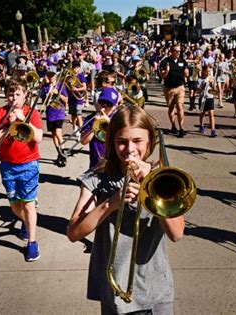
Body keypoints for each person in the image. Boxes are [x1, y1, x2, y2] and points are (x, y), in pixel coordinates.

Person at [67, 105, 184, 314]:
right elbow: (74, 233)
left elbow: (176, 233)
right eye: (122, 142)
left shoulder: (163, 178)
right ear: (112, 142)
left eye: (137, 141)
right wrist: (111, 203)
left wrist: (151, 186)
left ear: (150, 141)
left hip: (153, 292)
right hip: (112, 290)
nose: (129, 149)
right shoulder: (97, 178)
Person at [0, 78, 43, 262]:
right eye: (10, 94)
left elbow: (39, 138)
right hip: (7, 165)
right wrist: (6, 123)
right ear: (6, 96)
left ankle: (32, 243)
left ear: (25, 95)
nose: (14, 98)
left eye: (18, 94)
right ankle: (26, 222)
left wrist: (22, 120)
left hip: (29, 163)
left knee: (28, 204)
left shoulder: (31, 112)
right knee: (14, 205)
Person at [80, 87, 120, 170]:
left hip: (115, 165)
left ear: (115, 106)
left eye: (109, 104)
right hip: (95, 164)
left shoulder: (118, 120)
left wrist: (109, 122)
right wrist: (93, 126)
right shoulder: (90, 119)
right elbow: (83, 141)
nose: (104, 107)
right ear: (97, 102)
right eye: (102, 102)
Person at [160, 45, 189, 137]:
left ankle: (181, 128)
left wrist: (186, 73)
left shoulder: (182, 61)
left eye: (180, 51)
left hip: (180, 87)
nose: (178, 53)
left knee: (180, 107)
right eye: (176, 51)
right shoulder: (165, 62)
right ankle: (173, 126)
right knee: (171, 108)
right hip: (169, 89)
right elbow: (162, 76)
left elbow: (186, 73)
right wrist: (167, 71)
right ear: (172, 51)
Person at [40, 71, 68, 167]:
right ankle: (59, 153)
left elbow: (66, 100)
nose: (51, 77)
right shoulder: (45, 87)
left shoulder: (60, 86)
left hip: (59, 112)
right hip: (50, 113)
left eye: (53, 76)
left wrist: (57, 94)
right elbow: (43, 101)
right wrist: (47, 96)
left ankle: (63, 152)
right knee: (53, 134)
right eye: (49, 75)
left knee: (58, 132)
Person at [196, 66, 217, 137]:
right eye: (206, 71)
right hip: (203, 98)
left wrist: (212, 84)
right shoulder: (200, 80)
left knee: (211, 114)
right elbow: (198, 91)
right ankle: (201, 126)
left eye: (209, 71)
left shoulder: (212, 78)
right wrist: (203, 84)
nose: (208, 73)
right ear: (203, 71)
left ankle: (213, 130)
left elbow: (214, 90)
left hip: (210, 97)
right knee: (202, 113)